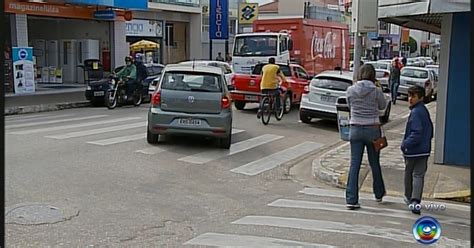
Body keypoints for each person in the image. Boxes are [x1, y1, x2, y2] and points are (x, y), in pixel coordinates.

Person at [345, 64, 387, 210]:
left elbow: (350, 106)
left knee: (354, 164)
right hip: (373, 129)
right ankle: (379, 193)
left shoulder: (350, 90)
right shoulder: (376, 91)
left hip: (355, 128)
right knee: (374, 162)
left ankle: (351, 199)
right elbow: (382, 106)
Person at [402, 85, 434, 215]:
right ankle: (416, 200)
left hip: (413, 150)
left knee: (410, 174)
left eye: (413, 96)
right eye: (409, 96)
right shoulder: (424, 110)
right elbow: (430, 130)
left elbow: (416, 132)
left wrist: (405, 144)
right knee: (419, 175)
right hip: (424, 150)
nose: (410, 99)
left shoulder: (415, 112)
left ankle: (410, 198)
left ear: (420, 97)